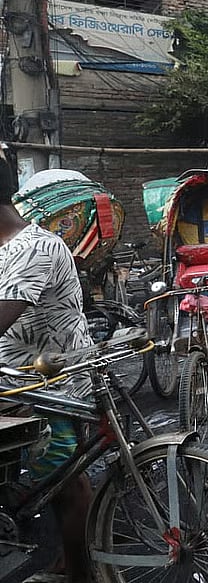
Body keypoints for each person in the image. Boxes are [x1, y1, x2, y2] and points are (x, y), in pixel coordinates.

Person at [0, 148, 94, 583]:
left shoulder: (34, 247)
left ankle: (79, 571)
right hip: (17, 382)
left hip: (52, 386)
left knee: (62, 480)